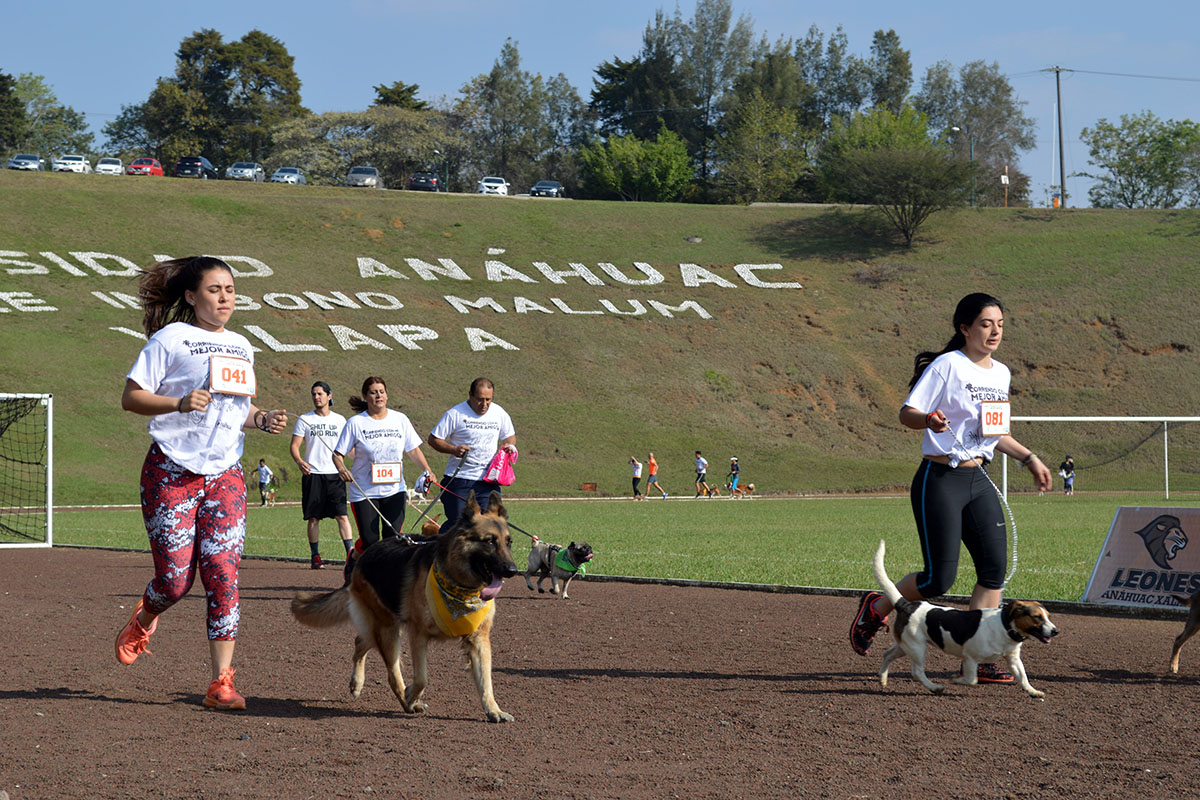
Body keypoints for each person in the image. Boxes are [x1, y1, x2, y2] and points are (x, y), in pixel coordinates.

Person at [849, 292, 1052, 684]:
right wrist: (929, 419)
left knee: (994, 570)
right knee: (938, 581)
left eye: (1000, 325)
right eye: (985, 324)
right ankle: (877, 606)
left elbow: (996, 433)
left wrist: (1030, 458)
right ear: (965, 328)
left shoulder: (1001, 374)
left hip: (979, 479)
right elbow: (906, 413)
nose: (994, 332)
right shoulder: (948, 366)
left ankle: (977, 657)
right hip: (939, 480)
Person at [114, 255, 288, 711]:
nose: (225, 297)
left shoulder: (243, 346)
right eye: (215, 289)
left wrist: (262, 417)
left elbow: (236, 410)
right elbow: (131, 397)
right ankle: (145, 616)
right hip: (171, 472)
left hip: (225, 474)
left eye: (230, 289)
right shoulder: (171, 339)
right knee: (174, 582)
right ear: (191, 297)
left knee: (223, 577)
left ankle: (221, 682)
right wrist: (178, 402)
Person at [333, 376, 434, 561]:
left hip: (394, 490)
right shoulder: (356, 423)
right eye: (373, 392)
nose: (378, 395)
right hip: (365, 492)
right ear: (366, 396)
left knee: (393, 540)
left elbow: (413, 450)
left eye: (381, 391)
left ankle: (385, 582)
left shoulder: (400, 419)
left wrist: (427, 469)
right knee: (369, 540)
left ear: (386, 395)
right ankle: (353, 557)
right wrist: (341, 468)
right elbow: (337, 454)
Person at [427, 377, 516, 532]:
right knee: (459, 525)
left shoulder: (499, 413)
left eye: (488, 400)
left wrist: (509, 445)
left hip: (489, 480)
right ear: (470, 395)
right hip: (460, 480)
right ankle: (439, 552)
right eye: (480, 399)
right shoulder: (455, 413)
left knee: (491, 526)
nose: (485, 404)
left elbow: (509, 435)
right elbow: (434, 439)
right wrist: (453, 449)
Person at [290, 381, 353, 569]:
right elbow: (294, 446)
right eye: (314, 394)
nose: (316, 397)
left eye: (320, 394)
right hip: (313, 474)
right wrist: (300, 461)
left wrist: (359, 464)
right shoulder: (304, 419)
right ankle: (315, 556)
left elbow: (348, 449)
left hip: (336, 474)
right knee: (313, 518)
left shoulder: (340, 420)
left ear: (329, 396)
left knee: (342, 515)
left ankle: (350, 556)